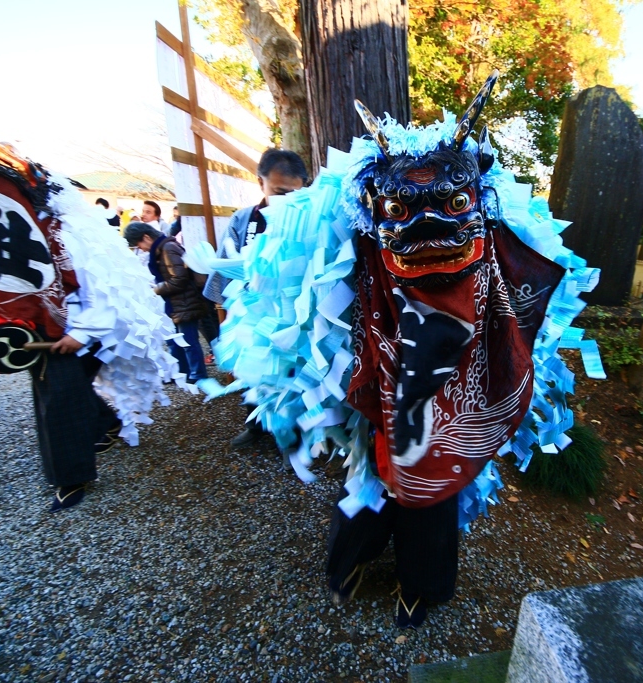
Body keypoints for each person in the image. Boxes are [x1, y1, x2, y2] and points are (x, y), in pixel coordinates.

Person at [190, 74, 604, 628]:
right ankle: (353, 559)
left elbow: (526, 300)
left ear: (480, 201)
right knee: (374, 475)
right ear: (370, 210)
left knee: (432, 492)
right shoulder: (357, 250)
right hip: (383, 376)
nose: (428, 222)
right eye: (400, 208)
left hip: (460, 391)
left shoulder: (496, 254)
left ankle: (423, 585)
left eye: (454, 202)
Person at [0, 144, 184, 512]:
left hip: (80, 327)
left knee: (61, 399)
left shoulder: (66, 231)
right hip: (38, 327)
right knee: (59, 392)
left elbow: (101, 286)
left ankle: (70, 478)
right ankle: (104, 424)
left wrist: (82, 333)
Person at [202, 148, 308, 450]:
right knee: (252, 374)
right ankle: (256, 425)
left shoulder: (310, 219)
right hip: (251, 312)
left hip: (294, 314)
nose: (284, 200)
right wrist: (227, 326)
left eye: (293, 193)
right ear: (260, 181)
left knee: (293, 375)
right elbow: (223, 274)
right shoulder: (243, 220)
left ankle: (297, 434)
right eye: (278, 191)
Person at [124, 222, 209, 382]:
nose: (140, 249)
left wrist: (155, 289)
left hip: (184, 302)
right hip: (179, 303)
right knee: (176, 340)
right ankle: (182, 372)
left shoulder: (167, 248)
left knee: (187, 341)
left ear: (146, 237)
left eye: (139, 244)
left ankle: (197, 375)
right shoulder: (163, 248)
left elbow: (179, 279)